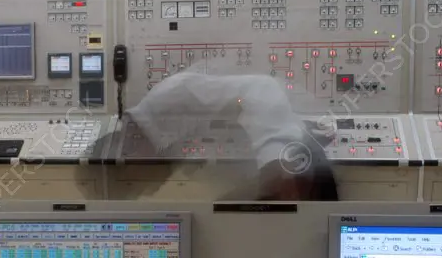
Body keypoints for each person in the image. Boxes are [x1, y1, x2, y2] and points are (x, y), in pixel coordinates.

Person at [95, 67, 338, 201]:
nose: (148, 190)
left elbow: (261, 88)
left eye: (138, 187)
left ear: (128, 151)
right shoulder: (162, 144)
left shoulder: (170, 97)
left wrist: (275, 158)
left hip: (294, 166)